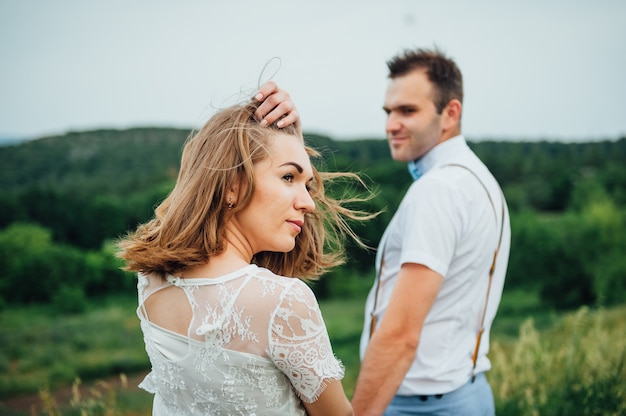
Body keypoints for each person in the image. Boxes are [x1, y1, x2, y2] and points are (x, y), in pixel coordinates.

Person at [117, 82, 373, 415]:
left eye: (306, 185)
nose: (309, 204)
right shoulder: (285, 302)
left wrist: (292, 140)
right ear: (233, 185)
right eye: (288, 178)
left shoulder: (151, 279)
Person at [350, 48, 511, 415]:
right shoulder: (477, 179)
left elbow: (401, 334)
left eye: (407, 111)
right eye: (388, 112)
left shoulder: (438, 190)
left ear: (450, 113)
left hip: (424, 407)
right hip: (467, 394)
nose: (391, 124)